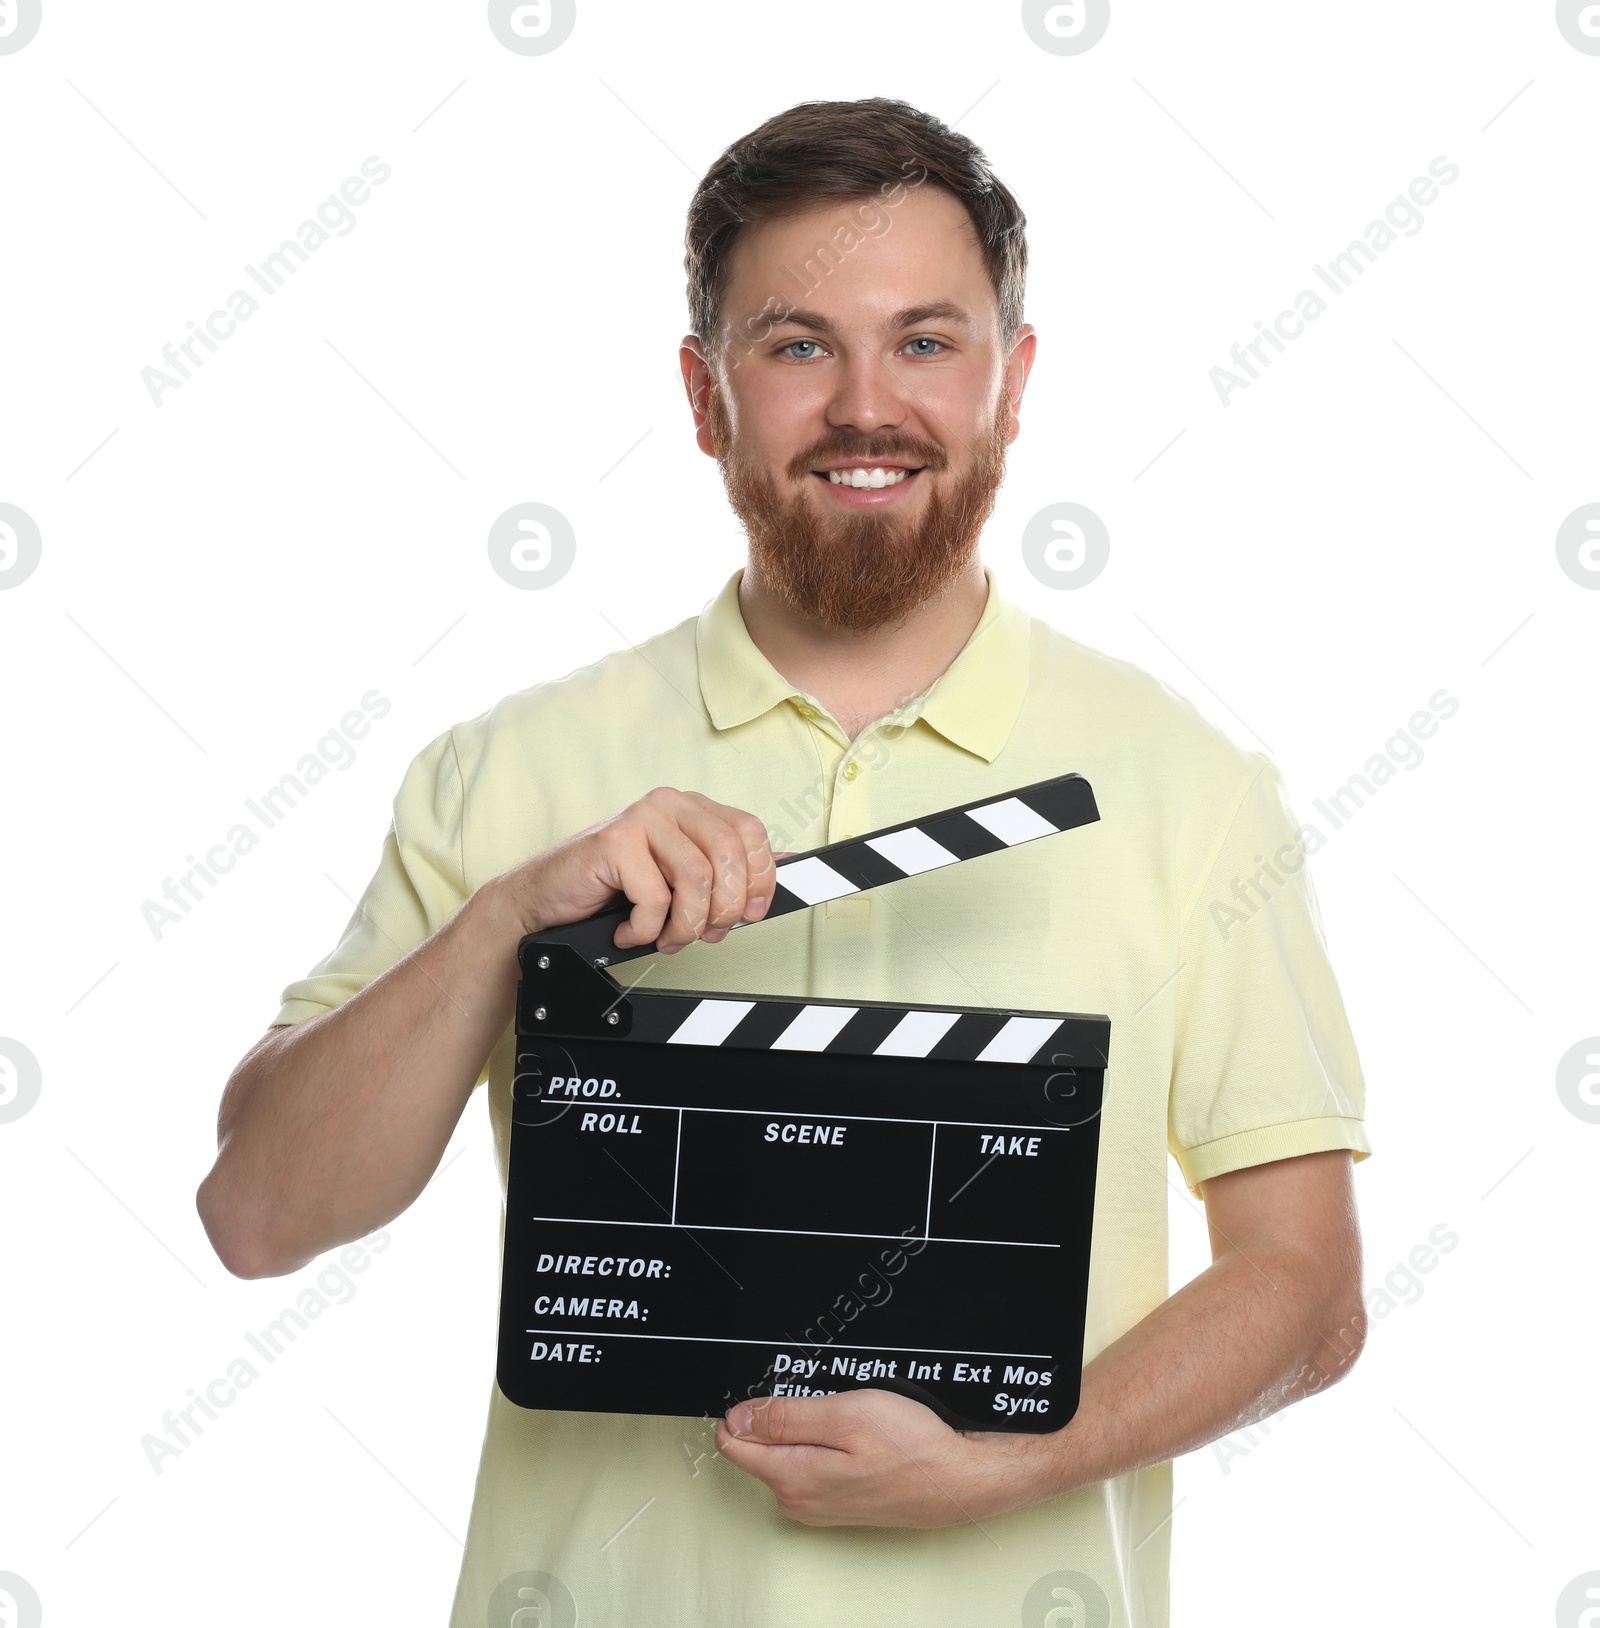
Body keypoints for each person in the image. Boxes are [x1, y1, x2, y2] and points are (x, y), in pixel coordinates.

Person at [196, 97, 1370, 1627]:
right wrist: (506, 924)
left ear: (1015, 386)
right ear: (704, 395)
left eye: (929, 343)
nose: (866, 405)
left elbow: (1307, 1288)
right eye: (798, 344)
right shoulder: (510, 772)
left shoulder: (1190, 792)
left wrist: (1026, 1459)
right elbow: (259, 1215)